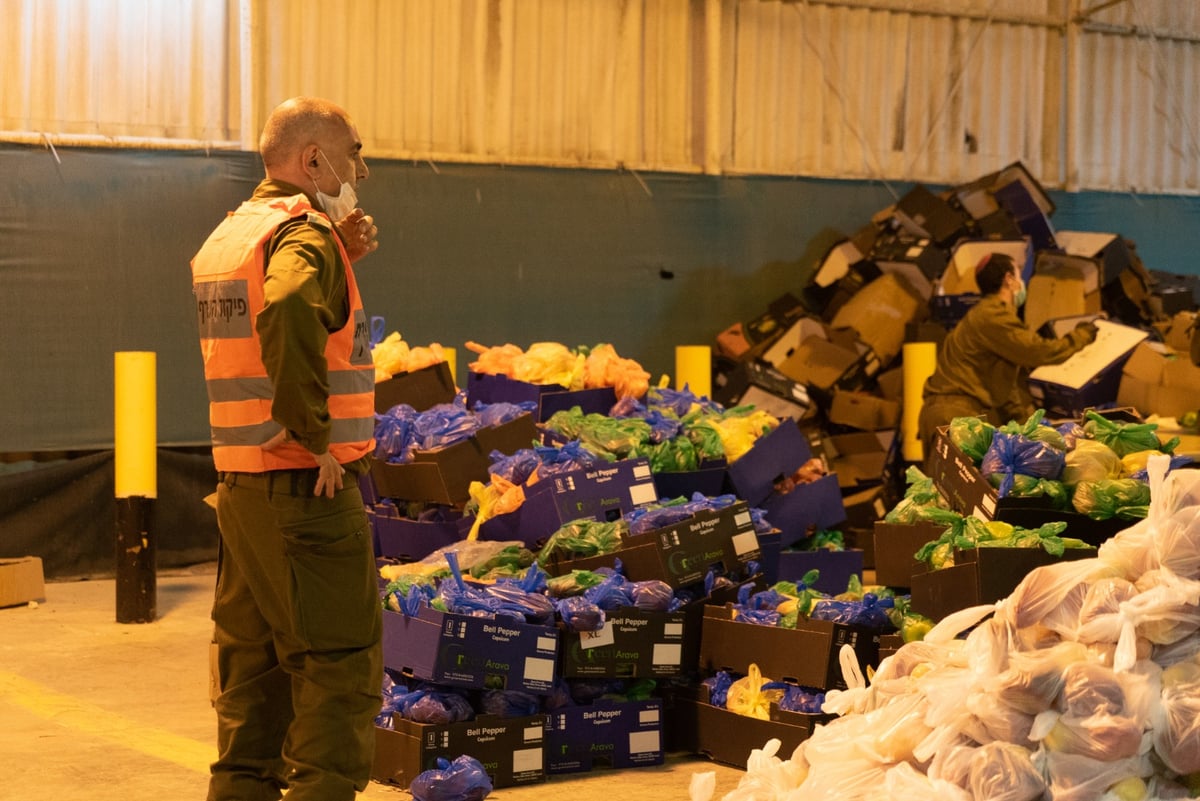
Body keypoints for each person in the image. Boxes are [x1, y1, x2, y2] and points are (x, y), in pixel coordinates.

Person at [191, 96, 383, 801]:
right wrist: (313, 434)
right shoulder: (302, 237)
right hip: (304, 490)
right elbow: (295, 300)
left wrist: (344, 252)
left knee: (256, 682)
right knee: (340, 671)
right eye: (353, 151)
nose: (360, 167)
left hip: (241, 492)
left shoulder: (233, 233)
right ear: (313, 160)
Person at [917, 252, 1098, 460]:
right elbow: (1040, 352)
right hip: (955, 416)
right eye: (1019, 275)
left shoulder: (984, 320)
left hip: (948, 414)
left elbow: (1007, 391)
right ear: (1009, 280)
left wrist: (1033, 429)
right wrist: (1083, 334)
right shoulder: (992, 316)